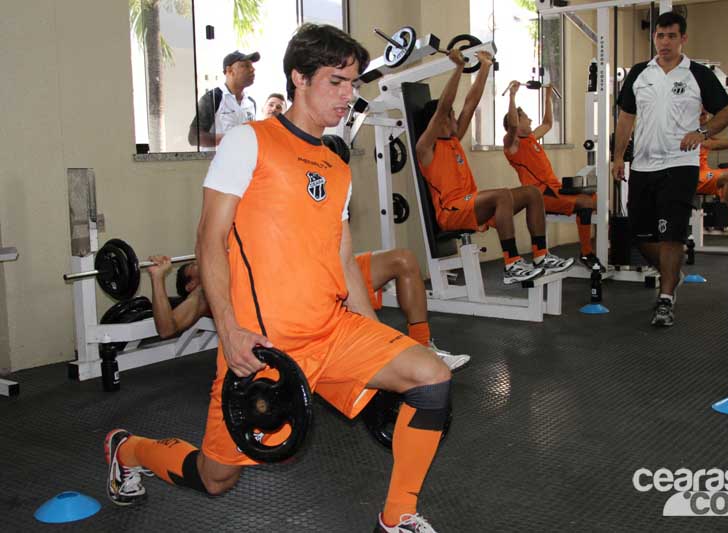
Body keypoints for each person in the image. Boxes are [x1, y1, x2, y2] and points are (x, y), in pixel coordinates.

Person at [106, 24, 450, 533]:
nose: (348, 95)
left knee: (431, 377)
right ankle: (127, 449)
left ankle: (396, 516)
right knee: (216, 476)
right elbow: (209, 240)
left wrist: (380, 335)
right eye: (337, 82)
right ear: (299, 78)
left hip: (332, 331)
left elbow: (341, 260)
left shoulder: (337, 166)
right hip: (265, 348)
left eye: (354, 84)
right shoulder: (250, 142)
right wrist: (227, 329)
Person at [612, 11, 728, 327]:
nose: (665, 42)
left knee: (671, 234)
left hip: (680, 165)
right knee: (639, 235)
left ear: (683, 39)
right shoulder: (640, 73)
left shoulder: (698, 74)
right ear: (655, 38)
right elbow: (626, 117)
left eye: (671, 36)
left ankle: (665, 299)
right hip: (642, 165)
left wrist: (703, 134)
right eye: (660, 36)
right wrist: (616, 158)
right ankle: (671, 272)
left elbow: (727, 110)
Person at [146, 253, 469, 371]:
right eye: (195, 267)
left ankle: (423, 344)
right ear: (191, 286)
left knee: (403, 260)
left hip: (310, 271)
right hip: (299, 307)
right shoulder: (207, 292)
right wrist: (158, 280)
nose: (205, 261)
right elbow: (167, 327)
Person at [416, 50, 574, 286]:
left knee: (532, 192)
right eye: (451, 116)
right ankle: (512, 264)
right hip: (451, 213)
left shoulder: (454, 140)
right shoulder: (426, 148)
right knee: (501, 195)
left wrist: (485, 67)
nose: (455, 119)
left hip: (472, 204)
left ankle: (541, 255)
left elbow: (470, 103)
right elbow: (442, 108)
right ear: (439, 121)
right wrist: (458, 68)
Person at [503, 81, 605, 272]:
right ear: (517, 121)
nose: (530, 120)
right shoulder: (512, 144)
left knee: (596, 199)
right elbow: (513, 125)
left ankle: (599, 249)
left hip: (555, 189)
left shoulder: (531, 137)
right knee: (585, 202)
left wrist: (548, 95)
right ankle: (586, 252)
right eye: (525, 117)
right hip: (540, 195)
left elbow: (548, 123)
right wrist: (512, 96)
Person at [355, 249, 470, 371]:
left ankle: (422, 346)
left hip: (339, 263)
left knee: (404, 259)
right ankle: (374, 359)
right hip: (334, 273)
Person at [188, 50, 260, 149]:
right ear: (230, 71)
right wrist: (229, 139)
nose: (252, 69)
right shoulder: (213, 98)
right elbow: (193, 137)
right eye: (246, 66)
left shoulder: (251, 103)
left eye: (251, 66)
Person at [145, 257, 210, 338]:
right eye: (193, 265)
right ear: (191, 285)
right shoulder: (204, 294)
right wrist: (157, 276)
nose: (197, 261)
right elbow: (166, 330)